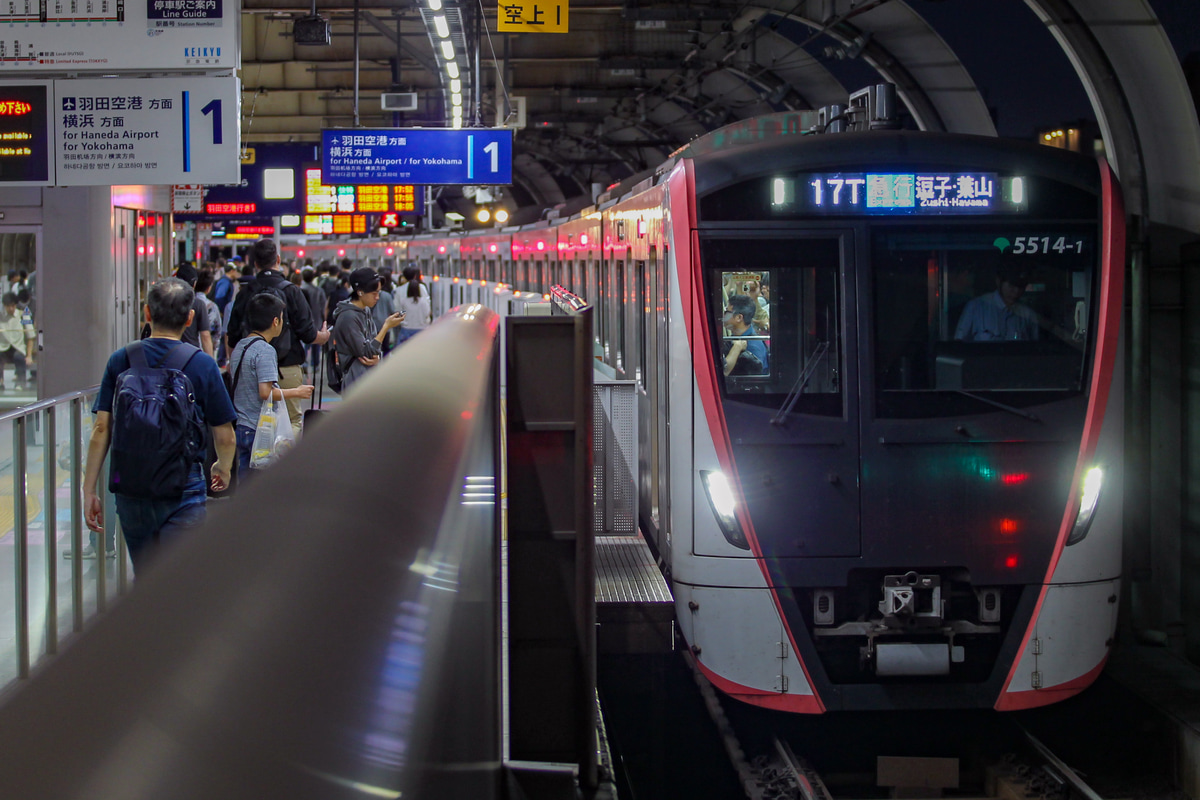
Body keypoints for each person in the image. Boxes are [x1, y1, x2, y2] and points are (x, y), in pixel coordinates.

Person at [83, 278, 237, 573]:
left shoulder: (121, 359)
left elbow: (101, 428)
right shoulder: (202, 364)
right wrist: (223, 467)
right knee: (177, 581)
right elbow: (225, 435)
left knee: (145, 578)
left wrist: (89, 489)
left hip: (131, 488)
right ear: (190, 317)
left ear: (147, 314)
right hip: (183, 487)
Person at [227, 238, 330, 432]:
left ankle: (255, 461)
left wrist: (234, 365)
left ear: (254, 263)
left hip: (251, 370)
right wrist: (323, 337)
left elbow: (232, 336)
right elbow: (308, 334)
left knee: (252, 421)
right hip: (287, 366)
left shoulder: (244, 293)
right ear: (278, 259)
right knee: (291, 421)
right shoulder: (292, 291)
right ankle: (284, 462)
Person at [227, 293, 314, 478]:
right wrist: (296, 392)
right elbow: (265, 392)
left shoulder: (240, 347)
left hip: (242, 425)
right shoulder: (265, 350)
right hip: (259, 429)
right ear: (276, 321)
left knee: (246, 483)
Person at [330, 268, 404, 393]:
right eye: (374, 293)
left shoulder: (366, 310)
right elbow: (366, 352)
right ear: (360, 292)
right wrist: (386, 326)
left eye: (379, 292)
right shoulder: (348, 317)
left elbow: (373, 347)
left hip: (367, 378)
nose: (377, 297)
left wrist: (378, 357)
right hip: (355, 381)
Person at [954, 268, 1040, 342]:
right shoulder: (976, 307)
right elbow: (959, 342)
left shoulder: (1028, 314)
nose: (1016, 292)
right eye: (1011, 286)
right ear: (999, 282)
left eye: (1021, 287)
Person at [174, 263, 214, 358]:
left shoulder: (168, 302)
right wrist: (210, 363)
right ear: (195, 283)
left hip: (171, 353)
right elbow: (205, 336)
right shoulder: (198, 304)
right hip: (191, 354)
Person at [722, 294, 769, 376]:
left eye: (726, 311)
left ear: (739, 318)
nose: (723, 315)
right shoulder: (735, 338)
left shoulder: (753, 346)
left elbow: (753, 381)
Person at [0, 291, 34, 390]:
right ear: (4, 306)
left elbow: (30, 336)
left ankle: (20, 382)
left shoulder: (23, 315)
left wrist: (29, 355)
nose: (11, 309)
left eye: (13, 306)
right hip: (3, 347)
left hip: (18, 348)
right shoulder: (1, 316)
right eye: (8, 306)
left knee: (19, 357)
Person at [394, 265, 432, 345]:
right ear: (415, 275)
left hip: (406, 328)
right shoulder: (422, 288)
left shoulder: (399, 290)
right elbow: (427, 310)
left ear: (404, 276)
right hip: (422, 328)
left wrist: (403, 320)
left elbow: (397, 309)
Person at [299, 267, 327, 375]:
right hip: (317, 319)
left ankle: (304, 362)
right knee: (316, 342)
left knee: (305, 343)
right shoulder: (319, 290)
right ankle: (315, 364)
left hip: (305, 320)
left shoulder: (300, 290)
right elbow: (323, 306)